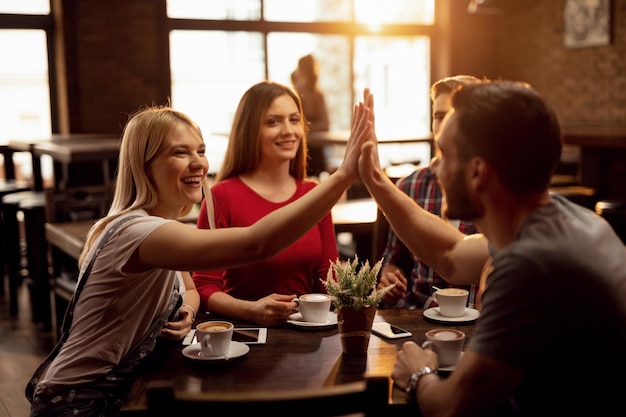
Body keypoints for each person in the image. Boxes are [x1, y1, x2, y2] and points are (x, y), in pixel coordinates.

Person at [27, 97, 372, 416]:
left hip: (124, 389)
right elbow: (256, 244)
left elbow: (189, 286)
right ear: (144, 165)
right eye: (180, 153)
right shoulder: (138, 232)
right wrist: (343, 176)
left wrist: (187, 311)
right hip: (80, 399)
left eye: (201, 150)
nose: (199, 163)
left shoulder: (158, 227)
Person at [358, 83, 626, 416]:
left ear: (477, 172)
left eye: (444, 154)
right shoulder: (567, 219)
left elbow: (450, 408)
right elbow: (451, 256)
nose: (436, 168)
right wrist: (374, 178)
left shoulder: (531, 265)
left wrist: (419, 374)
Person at [192, 81, 338, 326]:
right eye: (274, 121)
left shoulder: (314, 193)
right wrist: (251, 311)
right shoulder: (222, 196)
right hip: (245, 335)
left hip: (309, 333)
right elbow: (205, 286)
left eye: (294, 119)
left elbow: (329, 278)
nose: (289, 130)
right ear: (250, 131)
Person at [378, 75, 481, 310]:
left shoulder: (494, 186)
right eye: (439, 116)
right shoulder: (409, 186)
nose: (445, 125)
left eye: (455, 116)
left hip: (478, 324)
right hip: (419, 320)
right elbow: (393, 262)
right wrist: (389, 280)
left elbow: (461, 260)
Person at [291, 54, 329, 132]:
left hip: (312, 140)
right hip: (314, 139)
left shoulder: (316, 94)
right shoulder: (298, 92)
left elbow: (325, 124)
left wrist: (305, 127)